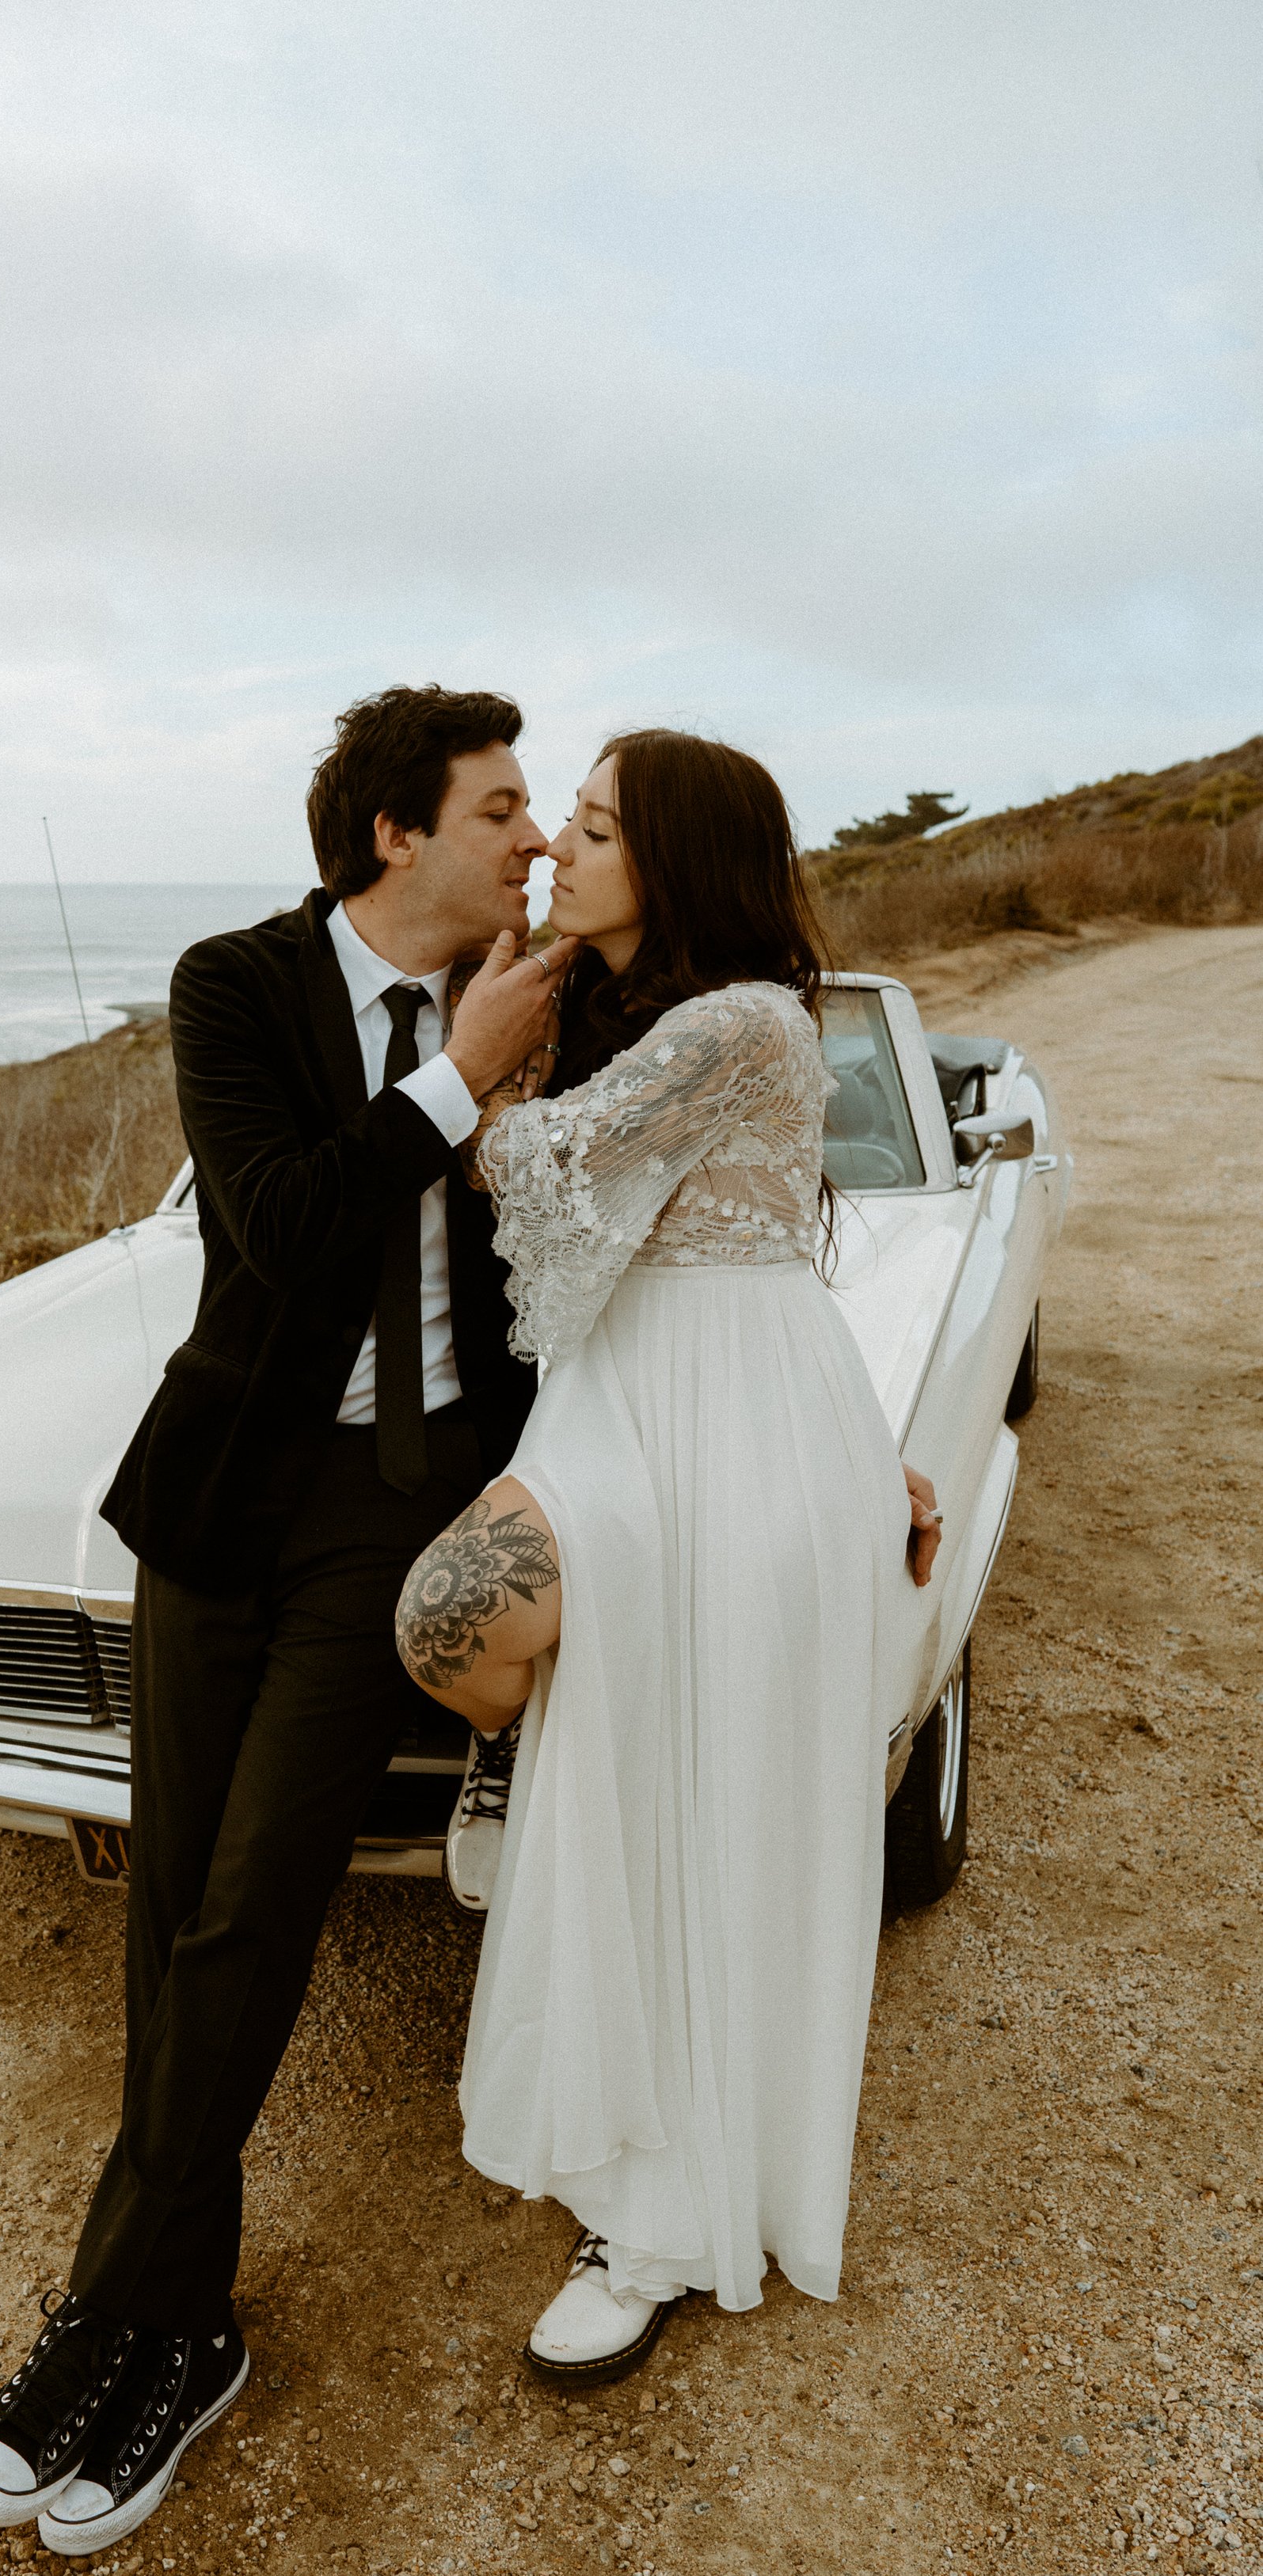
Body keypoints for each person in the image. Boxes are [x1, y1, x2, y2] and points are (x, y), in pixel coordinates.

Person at [0, 684, 573, 2551]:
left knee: (254, 1907)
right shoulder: (232, 982)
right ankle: (183, 2318)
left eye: (541, 813)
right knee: (164, 1901)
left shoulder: (548, 1008)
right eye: (501, 808)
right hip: (223, 1497)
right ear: (394, 833)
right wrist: (453, 1076)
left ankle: (99, 2314)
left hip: (392, 1515)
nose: (532, 841)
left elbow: (628, 1251)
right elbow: (283, 1222)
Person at [394, 727, 942, 2388]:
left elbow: (547, 1169)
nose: (558, 844)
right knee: (458, 1629)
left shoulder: (741, 1019)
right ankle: (510, 1783)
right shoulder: (631, 1014)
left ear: (678, 858)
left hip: (731, 1424)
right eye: (554, 818)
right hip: (621, 1406)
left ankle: (668, 2215)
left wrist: (476, 1068)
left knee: (709, 1800)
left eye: (592, 824)